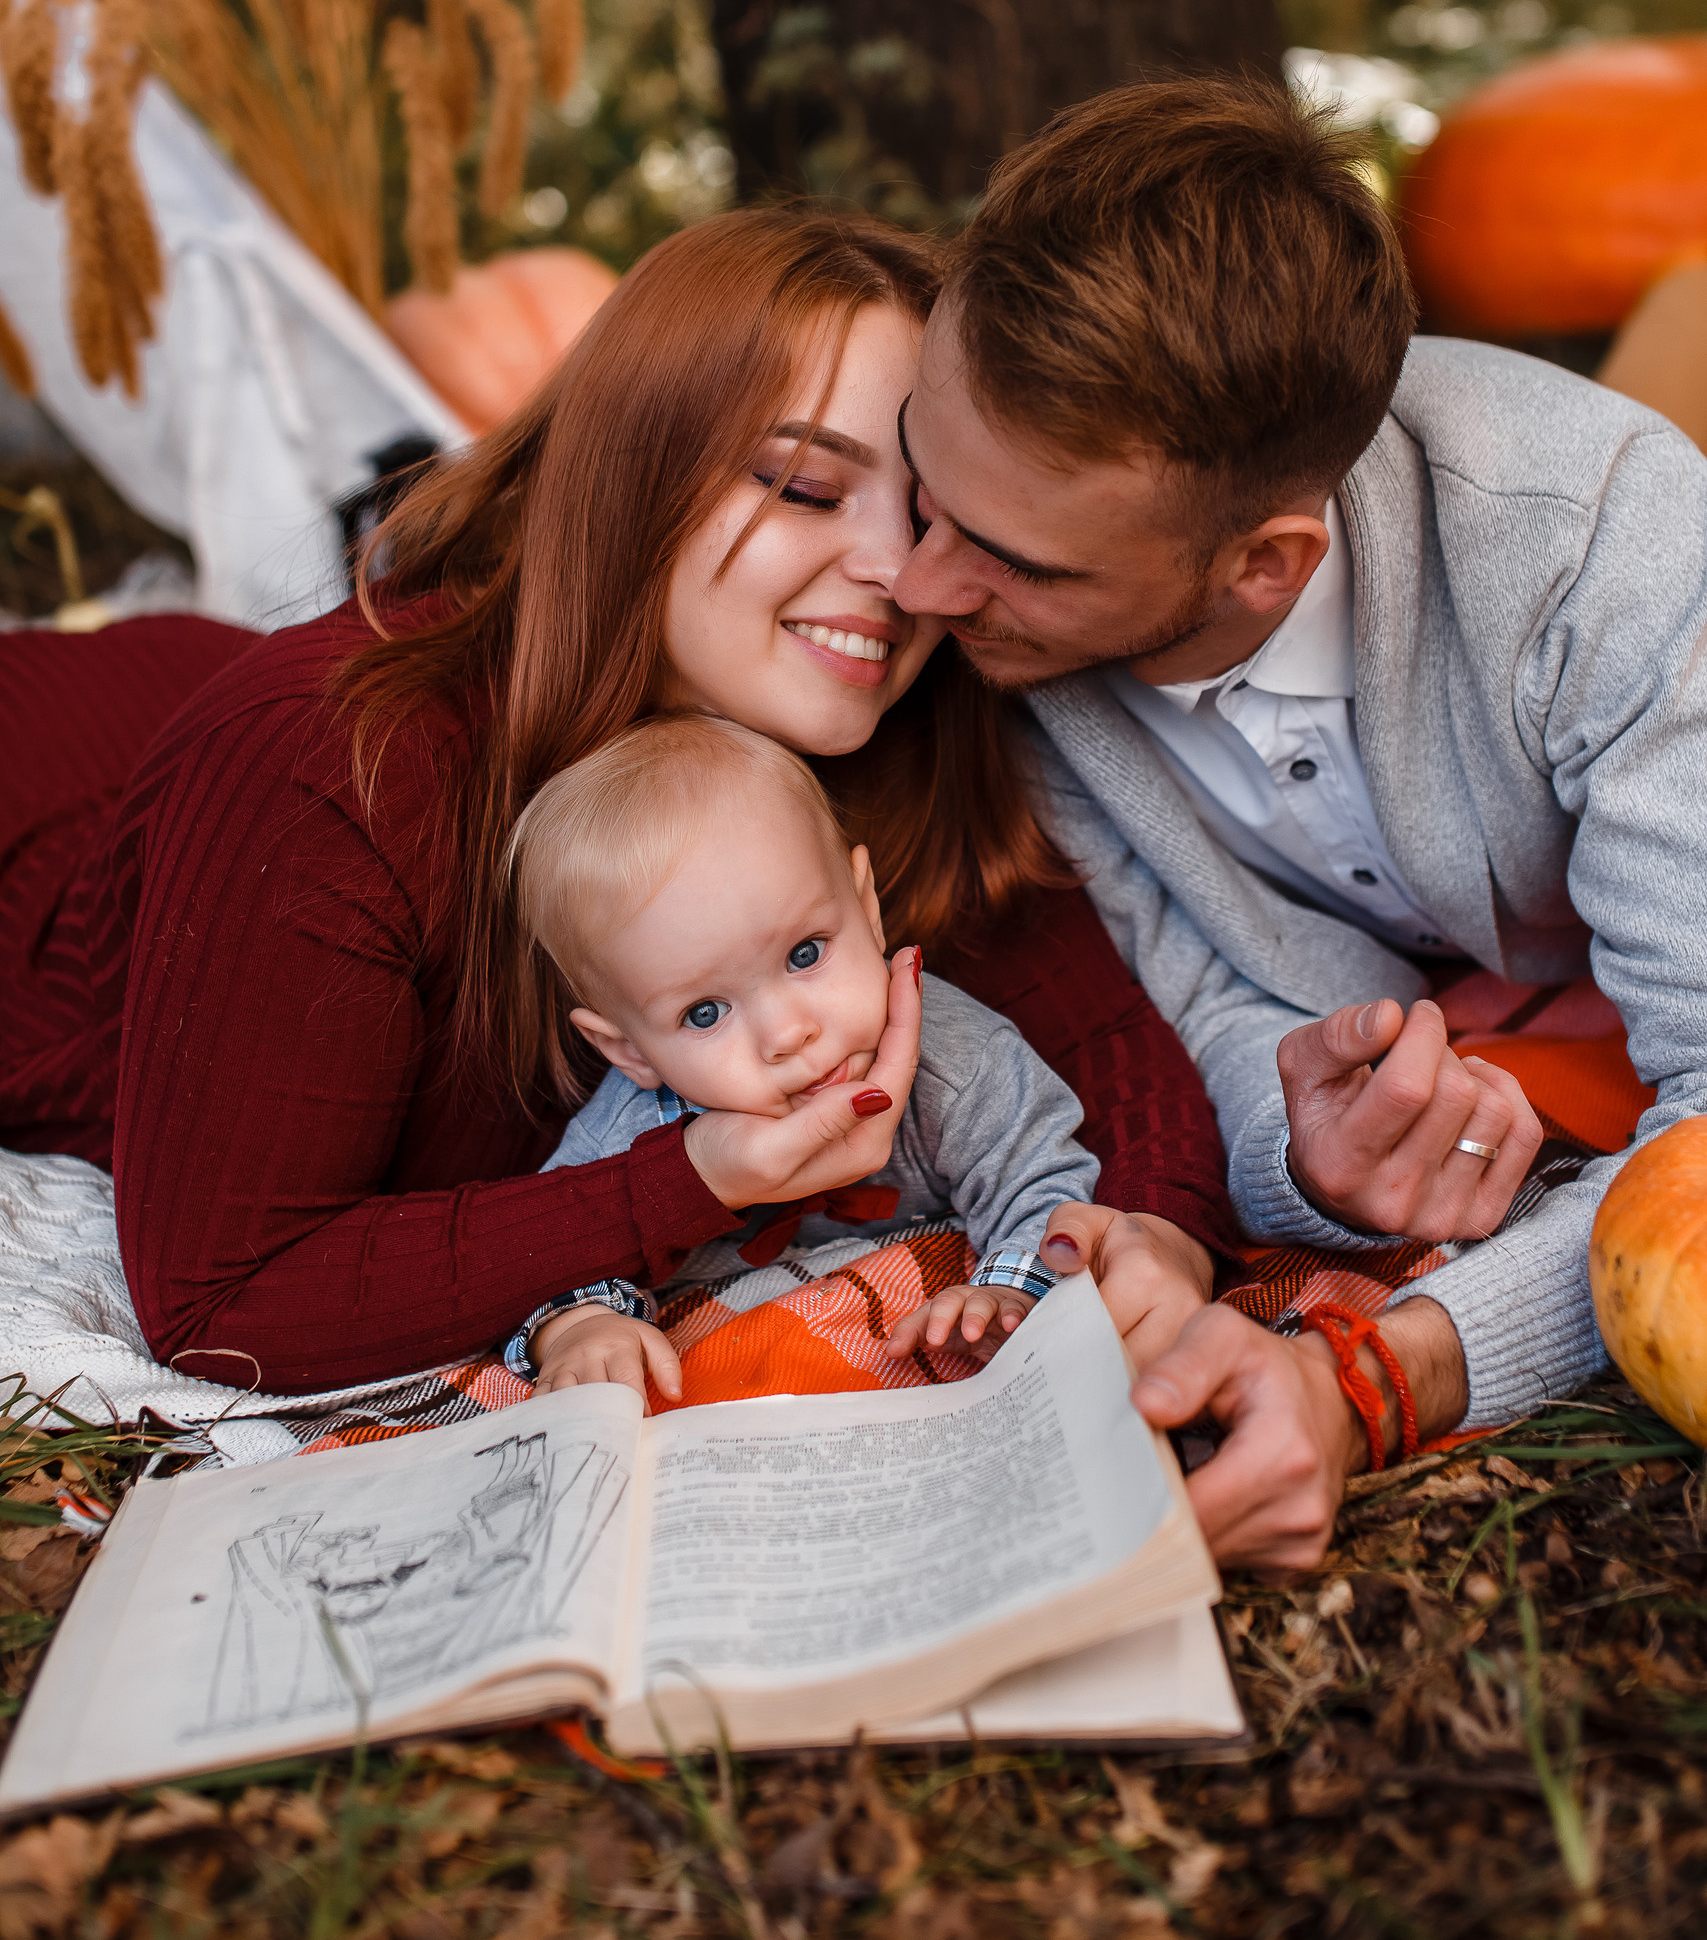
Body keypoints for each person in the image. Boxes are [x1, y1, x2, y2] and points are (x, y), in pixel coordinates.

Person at [0, 208, 1229, 1396]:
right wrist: (693, 1176)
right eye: (807, 485)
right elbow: (224, 1301)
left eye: (926, 510)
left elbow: (1104, 1051)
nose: (898, 572)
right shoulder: (333, 772)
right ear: (632, 475)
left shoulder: (884, 722)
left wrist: (1152, 1241)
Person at [891, 74, 1707, 1567]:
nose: (918, 590)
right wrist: (1307, 1159)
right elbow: (1212, 1009)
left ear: (1262, 565)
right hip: (1511, 1043)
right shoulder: (1017, 657)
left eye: (1010, 560)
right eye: (917, 485)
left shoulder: (1603, 550)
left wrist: (1382, 1375)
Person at [502, 711, 1106, 1401]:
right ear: (630, 1051)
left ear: (865, 906)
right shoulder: (629, 1133)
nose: (787, 1034)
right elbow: (547, 1254)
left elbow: (1042, 1184)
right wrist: (580, 1326)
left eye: (804, 953)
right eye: (704, 1012)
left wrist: (1006, 1292)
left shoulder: (957, 1060)